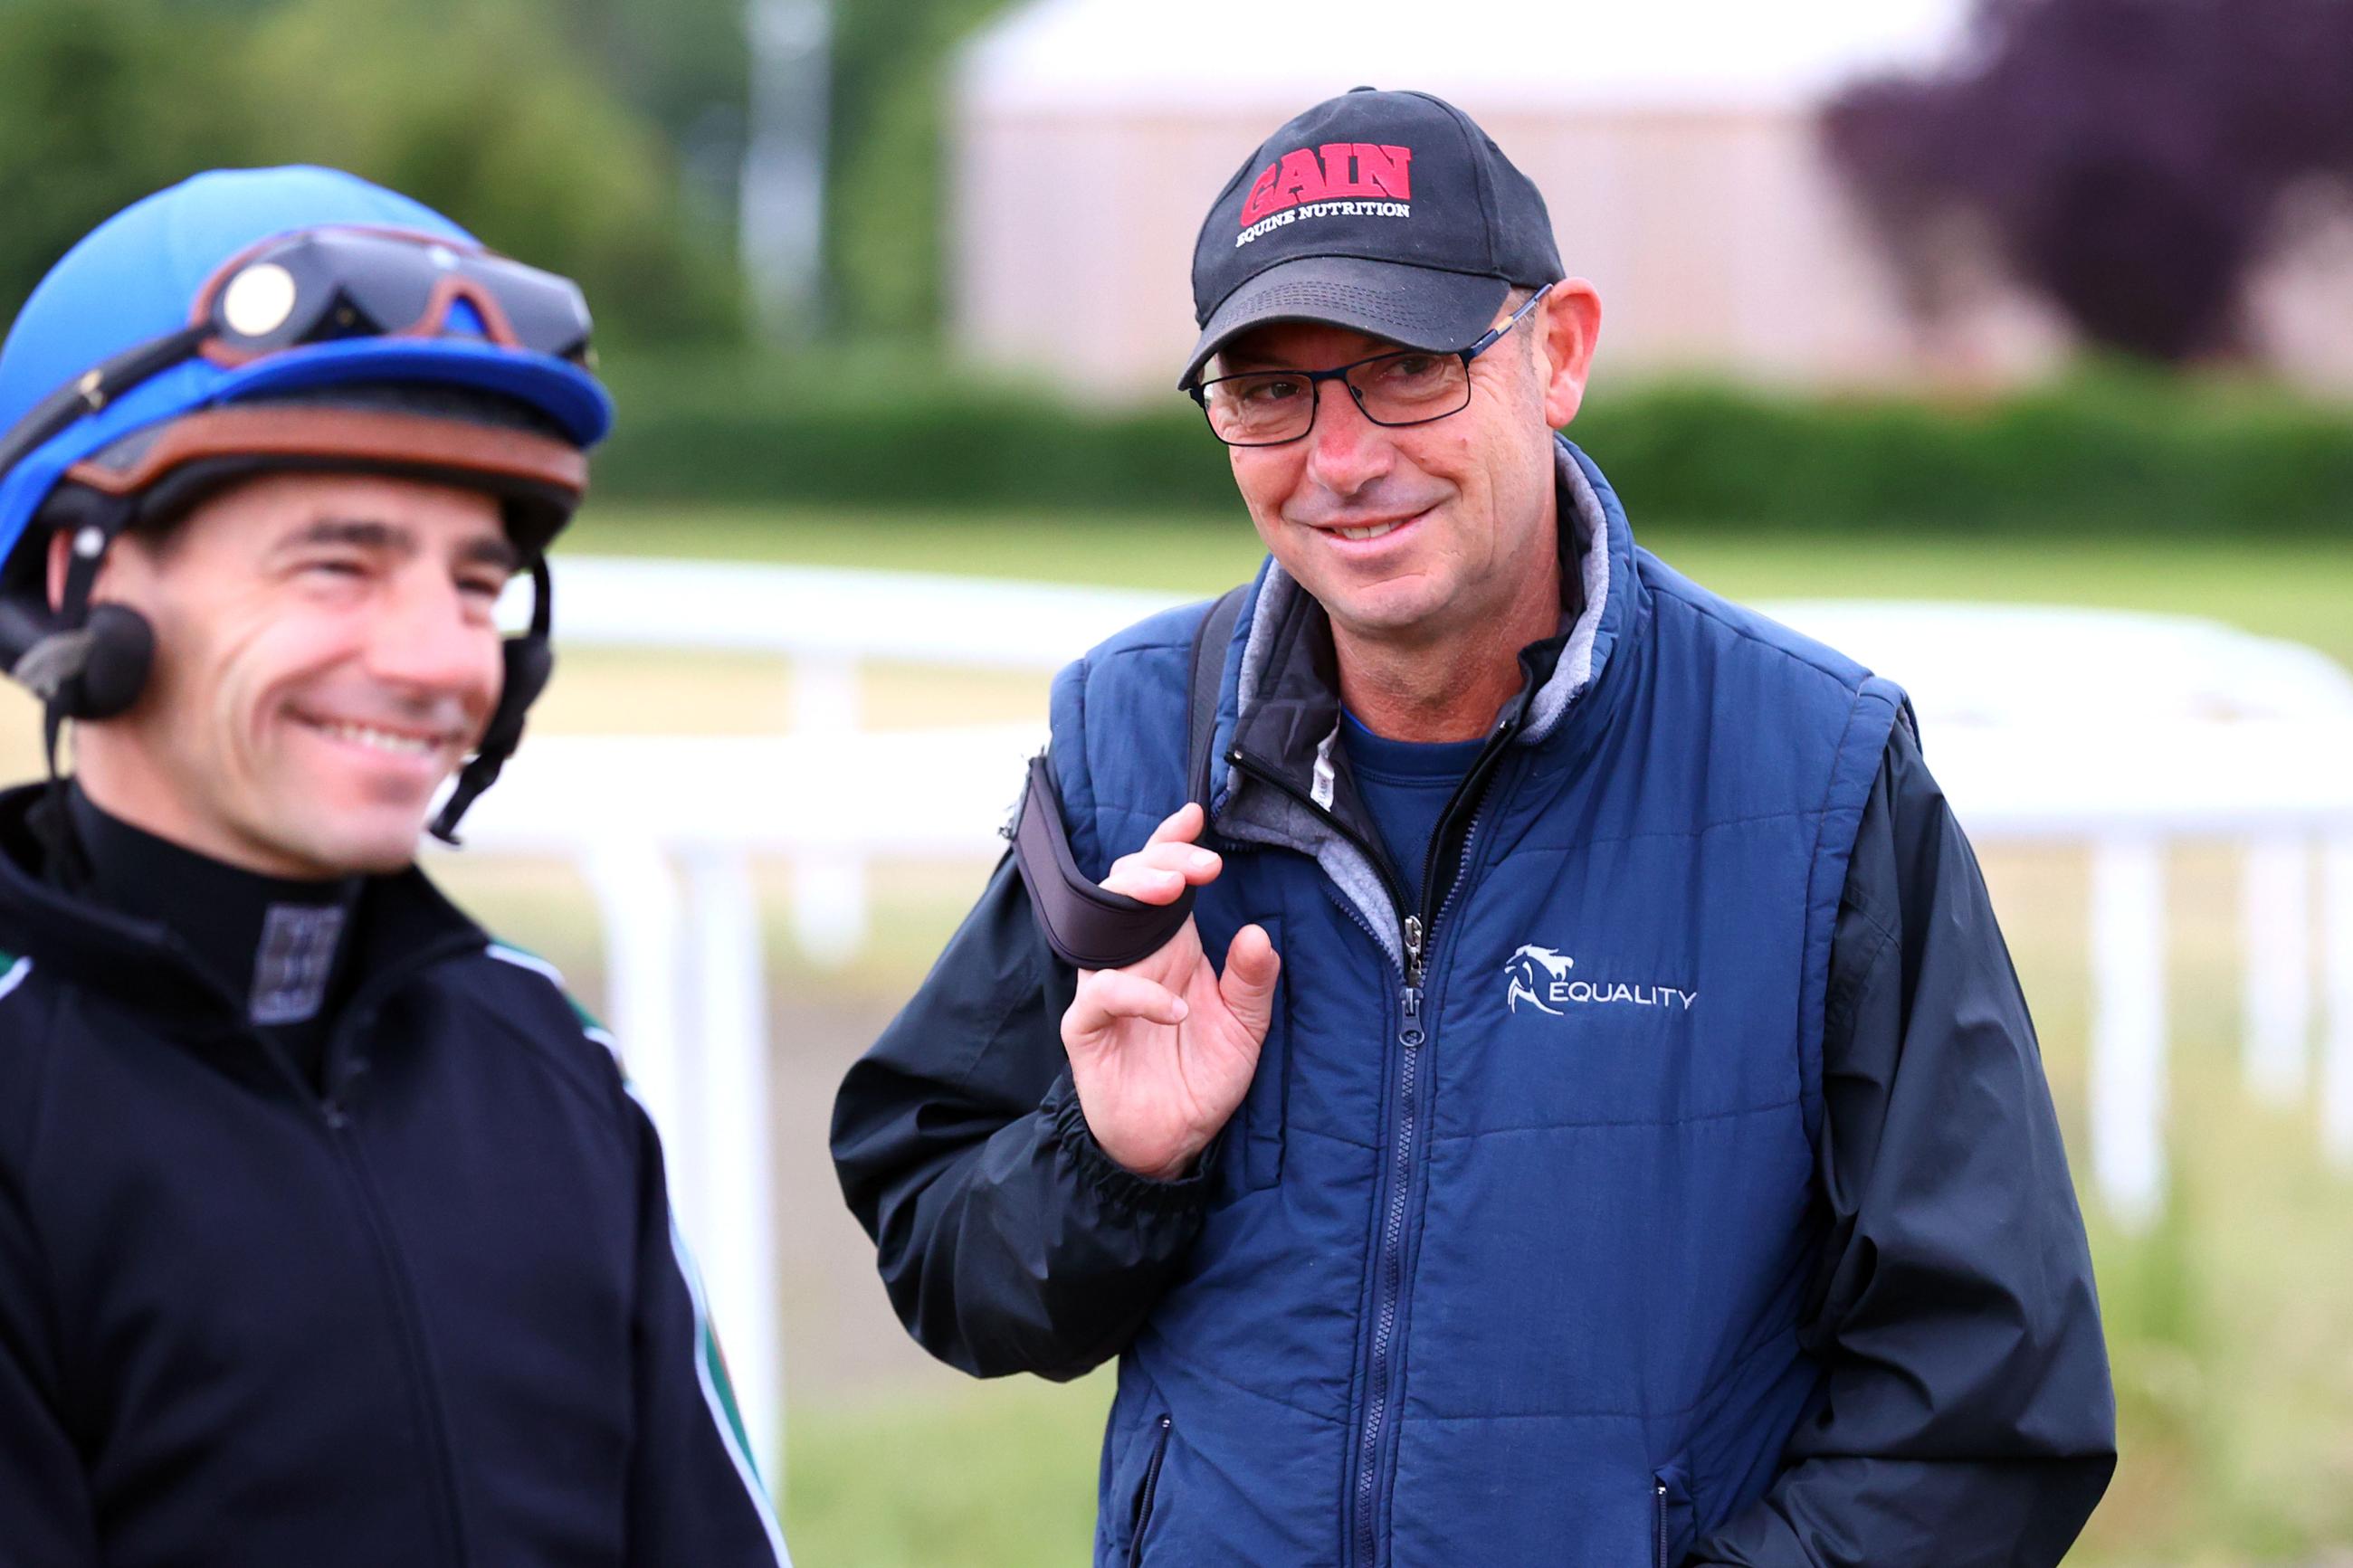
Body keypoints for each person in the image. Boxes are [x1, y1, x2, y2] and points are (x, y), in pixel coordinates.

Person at [833, 89, 2114, 1566]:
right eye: (1268, 390)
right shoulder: (1132, 738)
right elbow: (946, 1251)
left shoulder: (1816, 772)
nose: (1342, 455)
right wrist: (1108, 1162)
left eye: (1405, 368)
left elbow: (1994, 1399)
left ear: (1557, 352)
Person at [0, 167, 790, 1567]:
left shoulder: (553, 1058)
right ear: (76, 580)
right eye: (337, 567)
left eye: (476, 586)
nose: (440, 661)